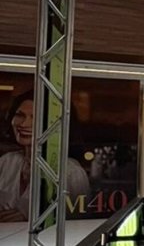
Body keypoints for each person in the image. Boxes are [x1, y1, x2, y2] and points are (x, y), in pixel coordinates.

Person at [0, 91, 90, 222]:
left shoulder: (70, 172)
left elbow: (78, 223)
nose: (24, 124)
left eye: (36, 117)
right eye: (20, 115)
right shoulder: (6, 161)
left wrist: (31, 219)